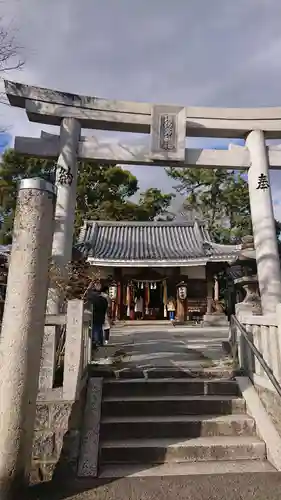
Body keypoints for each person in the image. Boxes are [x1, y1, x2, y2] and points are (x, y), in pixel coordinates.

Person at [87, 282, 108, 347]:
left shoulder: (92, 299)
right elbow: (105, 308)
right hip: (101, 316)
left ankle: (95, 342)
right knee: (99, 329)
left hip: (94, 316)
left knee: (95, 329)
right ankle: (100, 342)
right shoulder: (104, 299)